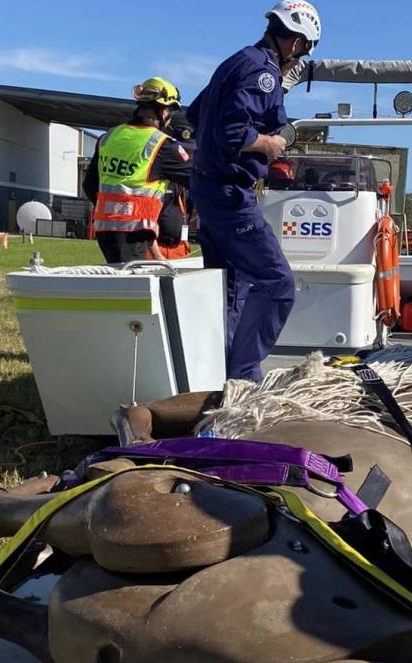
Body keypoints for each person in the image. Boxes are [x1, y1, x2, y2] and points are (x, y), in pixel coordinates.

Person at [187, 1, 321, 381]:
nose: (297, 62)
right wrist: (268, 144)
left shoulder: (234, 62)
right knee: (276, 282)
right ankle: (245, 379)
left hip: (209, 189)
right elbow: (232, 132)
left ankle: (218, 373)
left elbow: (196, 116)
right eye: (304, 52)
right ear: (294, 43)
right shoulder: (263, 73)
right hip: (230, 195)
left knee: (229, 286)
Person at [84, 77, 191, 264]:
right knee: (131, 288)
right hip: (136, 233)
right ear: (164, 111)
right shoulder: (161, 145)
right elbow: (199, 180)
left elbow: (90, 184)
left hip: (105, 231)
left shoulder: (109, 137)